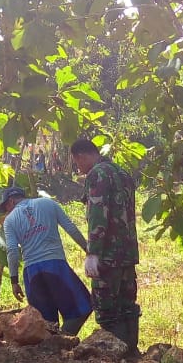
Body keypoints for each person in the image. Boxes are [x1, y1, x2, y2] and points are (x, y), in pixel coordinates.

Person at [70, 139, 140, 350]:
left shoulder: (97, 174)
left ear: (81, 156)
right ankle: (131, 350)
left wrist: (93, 253)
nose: (78, 168)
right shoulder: (122, 173)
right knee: (127, 304)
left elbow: (98, 214)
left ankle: (117, 357)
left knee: (106, 307)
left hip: (109, 254)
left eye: (77, 163)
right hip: (127, 252)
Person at [0, 185, 92, 336]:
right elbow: (71, 228)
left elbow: (12, 251)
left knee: (46, 323)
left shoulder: (10, 220)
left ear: (10, 201)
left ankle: (55, 346)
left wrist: (14, 280)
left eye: (5, 208)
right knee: (82, 307)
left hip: (32, 272)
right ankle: (65, 338)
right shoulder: (47, 203)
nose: (6, 211)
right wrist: (88, 251)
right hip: (54, 265)